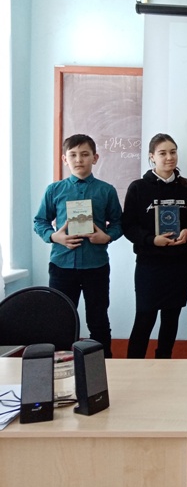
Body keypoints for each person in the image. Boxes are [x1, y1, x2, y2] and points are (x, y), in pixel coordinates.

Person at [34, 134, 122, 358]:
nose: (79, 159)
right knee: (61, 320)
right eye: (73, 155)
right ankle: (62, 368)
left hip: (96, 266)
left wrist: (107, 237)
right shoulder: (54, 190)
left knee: (98, 320)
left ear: (95, 157)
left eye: (84, 154)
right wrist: (55, 237)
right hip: (61, 266)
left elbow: (119, 223)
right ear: (65, 159)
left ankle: (104, 367)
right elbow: (40, 221)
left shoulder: (106, 190)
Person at [122, 133, 187, 359]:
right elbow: (128, 227)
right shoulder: (138, 187)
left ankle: (164, 362)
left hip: (180, 263)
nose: (169, 157)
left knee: (171, 318)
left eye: (173, 152)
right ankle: (133, 365)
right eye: (162, 153)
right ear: (152, 157)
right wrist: (152, 240)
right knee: (145, 317)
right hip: (150, 263)